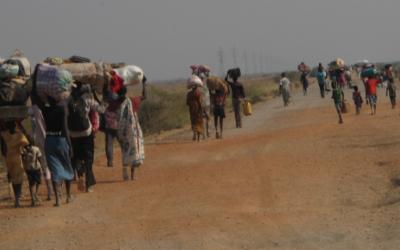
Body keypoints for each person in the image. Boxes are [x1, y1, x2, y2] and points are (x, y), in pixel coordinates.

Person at [68, 83, 104, 193]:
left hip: (72, 133)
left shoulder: (67, 100)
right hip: (86, 132)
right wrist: (98, 98)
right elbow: (101, 109)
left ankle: (80, 174)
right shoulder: (87, 99)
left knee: (77, 156)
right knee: (88, 158)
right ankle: (89, 185)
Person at [42, 96, 74, 207]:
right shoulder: (62, 109)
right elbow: (65, 129)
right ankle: (69, 196)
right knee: (66, 166)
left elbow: (36, 99)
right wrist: (70, 145)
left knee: (54, 170)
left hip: (49, 141)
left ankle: (58, 199)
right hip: (61, 140)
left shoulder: (45, 110)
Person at [117, 87, 146, 181]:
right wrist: (144, 84)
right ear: (126, 93)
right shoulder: (132, 101)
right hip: (132, 130)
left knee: (125, 151)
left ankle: (125, 173)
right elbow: (144, 96)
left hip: (121, 130)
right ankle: (132, 174)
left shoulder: (116, 102)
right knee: (133, 151)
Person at [0, 122, 29, 208]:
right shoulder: (19, 136)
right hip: (17, 159)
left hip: (9, 159)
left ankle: (16, 198)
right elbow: (27, 143)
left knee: (13, 178)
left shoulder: (5, 134)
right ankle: (18, 198)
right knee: (19, 179)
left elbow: (3, 146)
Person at [28, 105, 53, 200]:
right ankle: (52, 189)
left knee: (44, 166)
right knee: (49, 165)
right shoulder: (48, 106)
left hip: (37, 140)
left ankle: (49, 190)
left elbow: (25, 112)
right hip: (49, 139)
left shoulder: (34, 108)